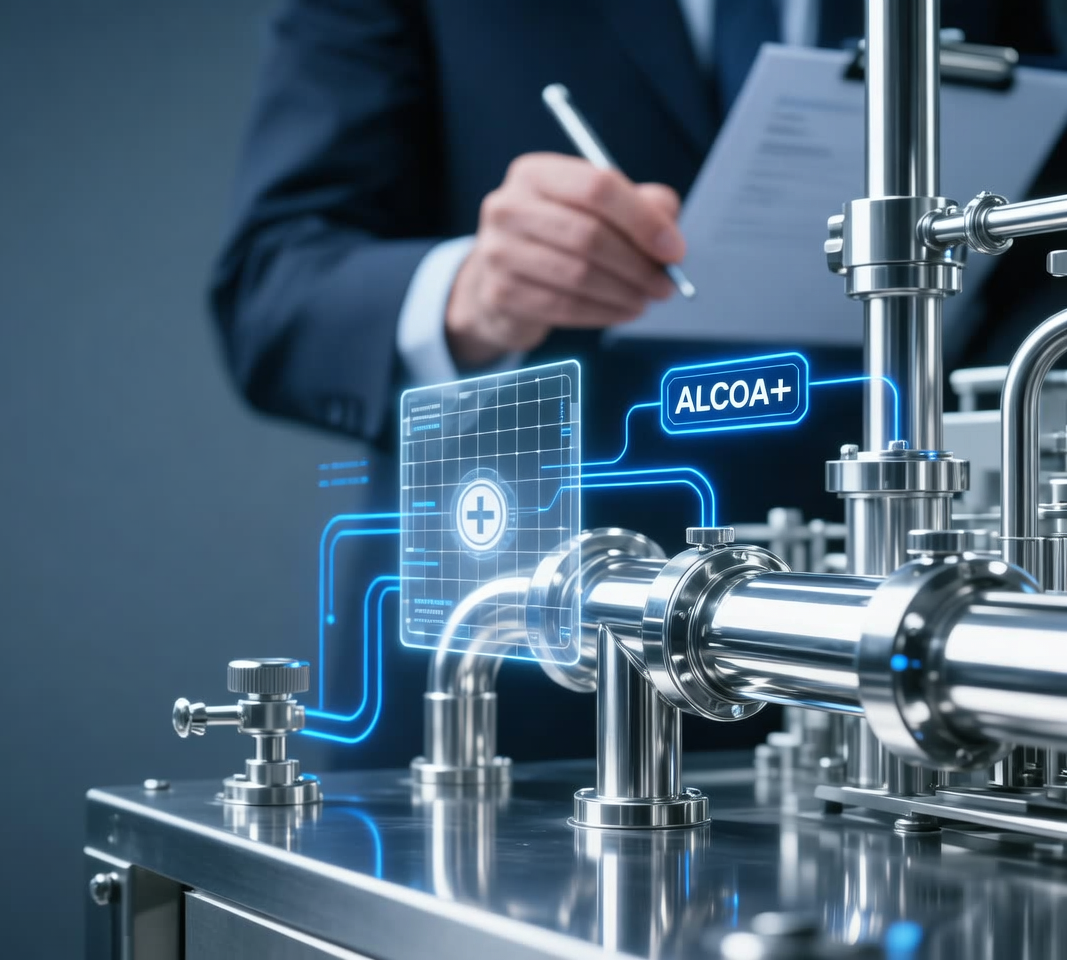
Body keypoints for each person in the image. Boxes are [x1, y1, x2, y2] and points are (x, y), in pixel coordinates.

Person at [212, 0, 1065, 767]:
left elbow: (1037, 258)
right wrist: (473, 291)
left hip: (890, 659)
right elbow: (273, 286)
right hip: (524, 683)